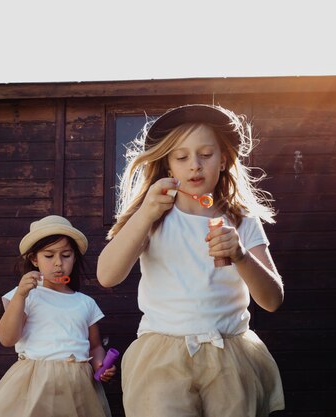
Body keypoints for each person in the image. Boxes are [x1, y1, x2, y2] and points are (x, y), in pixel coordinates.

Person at [97, 104, 285, 416]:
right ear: (168, 166)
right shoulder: (154, 217)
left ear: (223, 159)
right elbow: (107, 276)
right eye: (182, 157)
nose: (194, 165)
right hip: (162, 355)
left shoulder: (241, 221)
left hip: (230, 354)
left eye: (206, 154)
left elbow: (272, 299)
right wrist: (144, 213)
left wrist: (240, 256)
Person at [0, 215, 115, 417]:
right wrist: (20, 295)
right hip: (35, 383)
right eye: (49, 256)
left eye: (66, 255)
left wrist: (101, 365)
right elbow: (7, 338)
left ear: (74, 257)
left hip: (78, 386)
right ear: (34, 259)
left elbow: (94, 346)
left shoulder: (85, 303)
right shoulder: (26, 296)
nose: (58, 263)